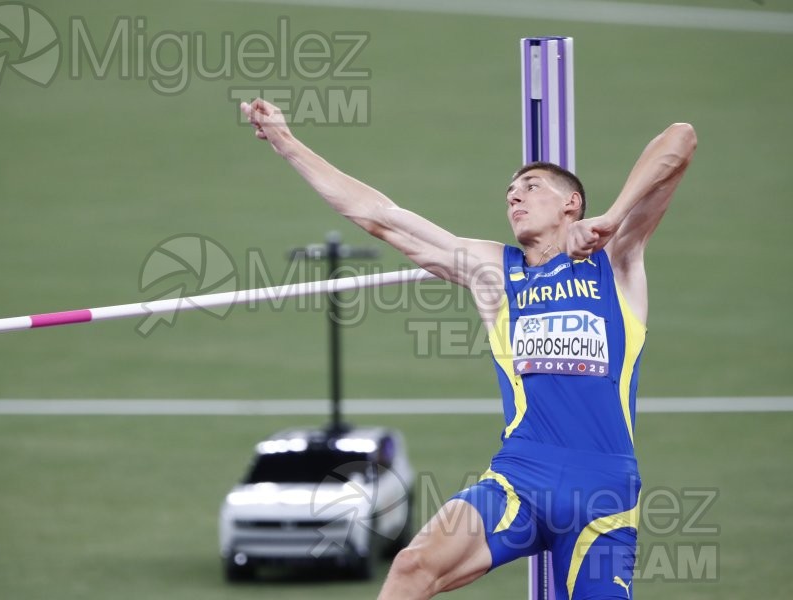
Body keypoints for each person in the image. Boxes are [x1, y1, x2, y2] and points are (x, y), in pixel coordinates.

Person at [240, 98, 696, 599]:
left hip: (603, 492)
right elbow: (380, 217)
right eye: (509, 193)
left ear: (571, 202)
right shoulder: (495, 271)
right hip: (521, 477)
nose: (515, 197)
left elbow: (680, 139)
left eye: (531, 186)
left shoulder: (616, 259)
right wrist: (287, 143)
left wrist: (613, 216)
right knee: (413, 565)